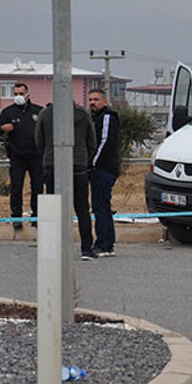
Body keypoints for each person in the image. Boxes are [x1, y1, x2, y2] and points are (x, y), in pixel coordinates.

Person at [35, 101, 97, 259]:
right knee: (82, 208)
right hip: (78, 164)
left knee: (53, 208)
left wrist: (47, 156)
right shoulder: (83, 115)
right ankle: (86, 248)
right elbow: (92, 142)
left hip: (52, 162)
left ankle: (53, 250)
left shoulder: (45, 114)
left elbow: (39, 140)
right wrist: (83, 158)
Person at [0, 83, 43, 229]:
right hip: (17, 156)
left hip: (36, 156)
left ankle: (36, 217)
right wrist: (2, 128)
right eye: (15, 94)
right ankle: (16, 218)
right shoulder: (8, 112)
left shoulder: (38, 111)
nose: (18, 97)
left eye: (21, 94)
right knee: (16, 188)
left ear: (28, 94)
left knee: (37, 188)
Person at [86, 88, 120, 257]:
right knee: (102, 206)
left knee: (100, 207)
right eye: (90, 100)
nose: (92, 103)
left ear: (104, 101)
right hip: (98, 168)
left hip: (103, 168)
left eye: (96, 99)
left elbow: (104, 142)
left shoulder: (107, 117)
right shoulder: (94, 118)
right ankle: (107, 243)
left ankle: (103, 244)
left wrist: (93, 163)